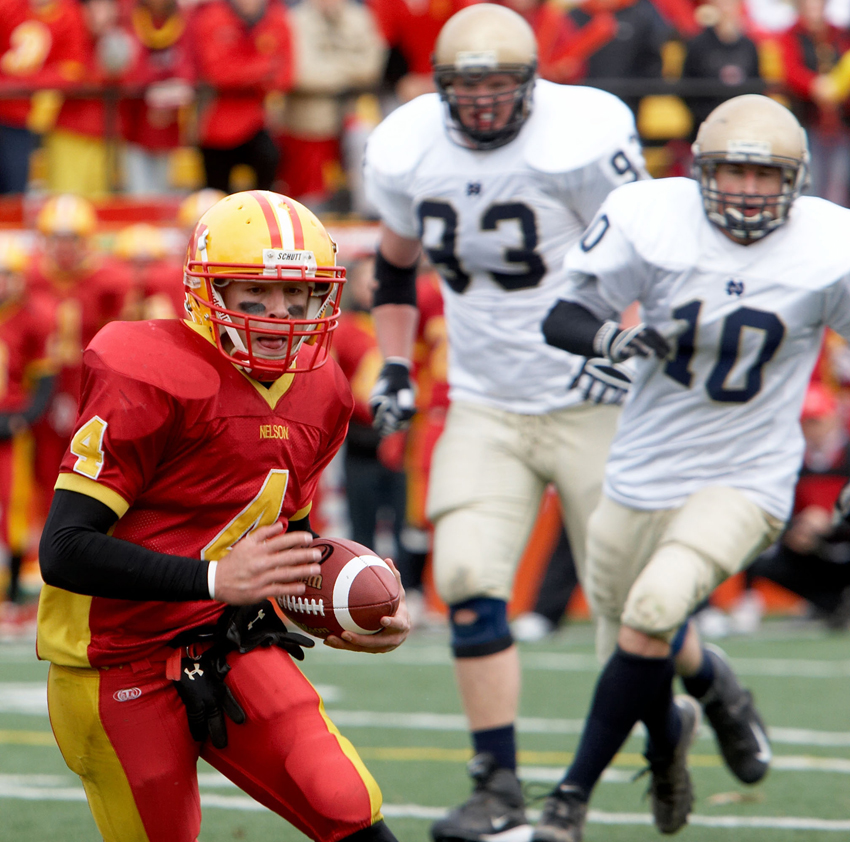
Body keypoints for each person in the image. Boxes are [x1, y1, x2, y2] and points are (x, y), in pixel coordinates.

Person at [36, 189, 410, 842]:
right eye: (256, 293)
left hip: (230, 641)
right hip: (115, 660)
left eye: (297, 294)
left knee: (346, 798)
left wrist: (344, 605)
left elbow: (286, 545)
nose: (280, 313)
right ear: (208, 294)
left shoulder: (321, 387)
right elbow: (64, 548)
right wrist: (212, 579)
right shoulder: (147, 371)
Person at [363, 5, 649, 840]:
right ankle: (498, 784)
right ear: (439, 87)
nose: (483, 101)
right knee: (463, 575)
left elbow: (649, 251)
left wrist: (620, 341)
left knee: (635, 603)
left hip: (593, 397)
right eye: (467, 85)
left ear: (531, 82)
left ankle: (697, 698)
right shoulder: (410, 147)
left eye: (498, 84)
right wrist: (393, 363)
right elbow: (394, 266)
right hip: (487, 399)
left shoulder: (581, 137)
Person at [532, 94, 850, 841]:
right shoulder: (651, 216)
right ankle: (711, 689)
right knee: (639, 631)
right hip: (642, 467)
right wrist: (614, 341)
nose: (747, 190)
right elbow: (562, 315)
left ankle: (569, 799)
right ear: (701, 172)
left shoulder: (829, 244)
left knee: (651, 614)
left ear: (796, 182)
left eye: (765, 175)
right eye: (733, 171)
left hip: (748, 474)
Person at [0, 235, 56, 637]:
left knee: (14, 503)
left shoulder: (33, 316)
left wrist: (23, 418)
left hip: (10, 424)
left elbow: (44, 379)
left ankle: (13, 588)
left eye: (8, 274)